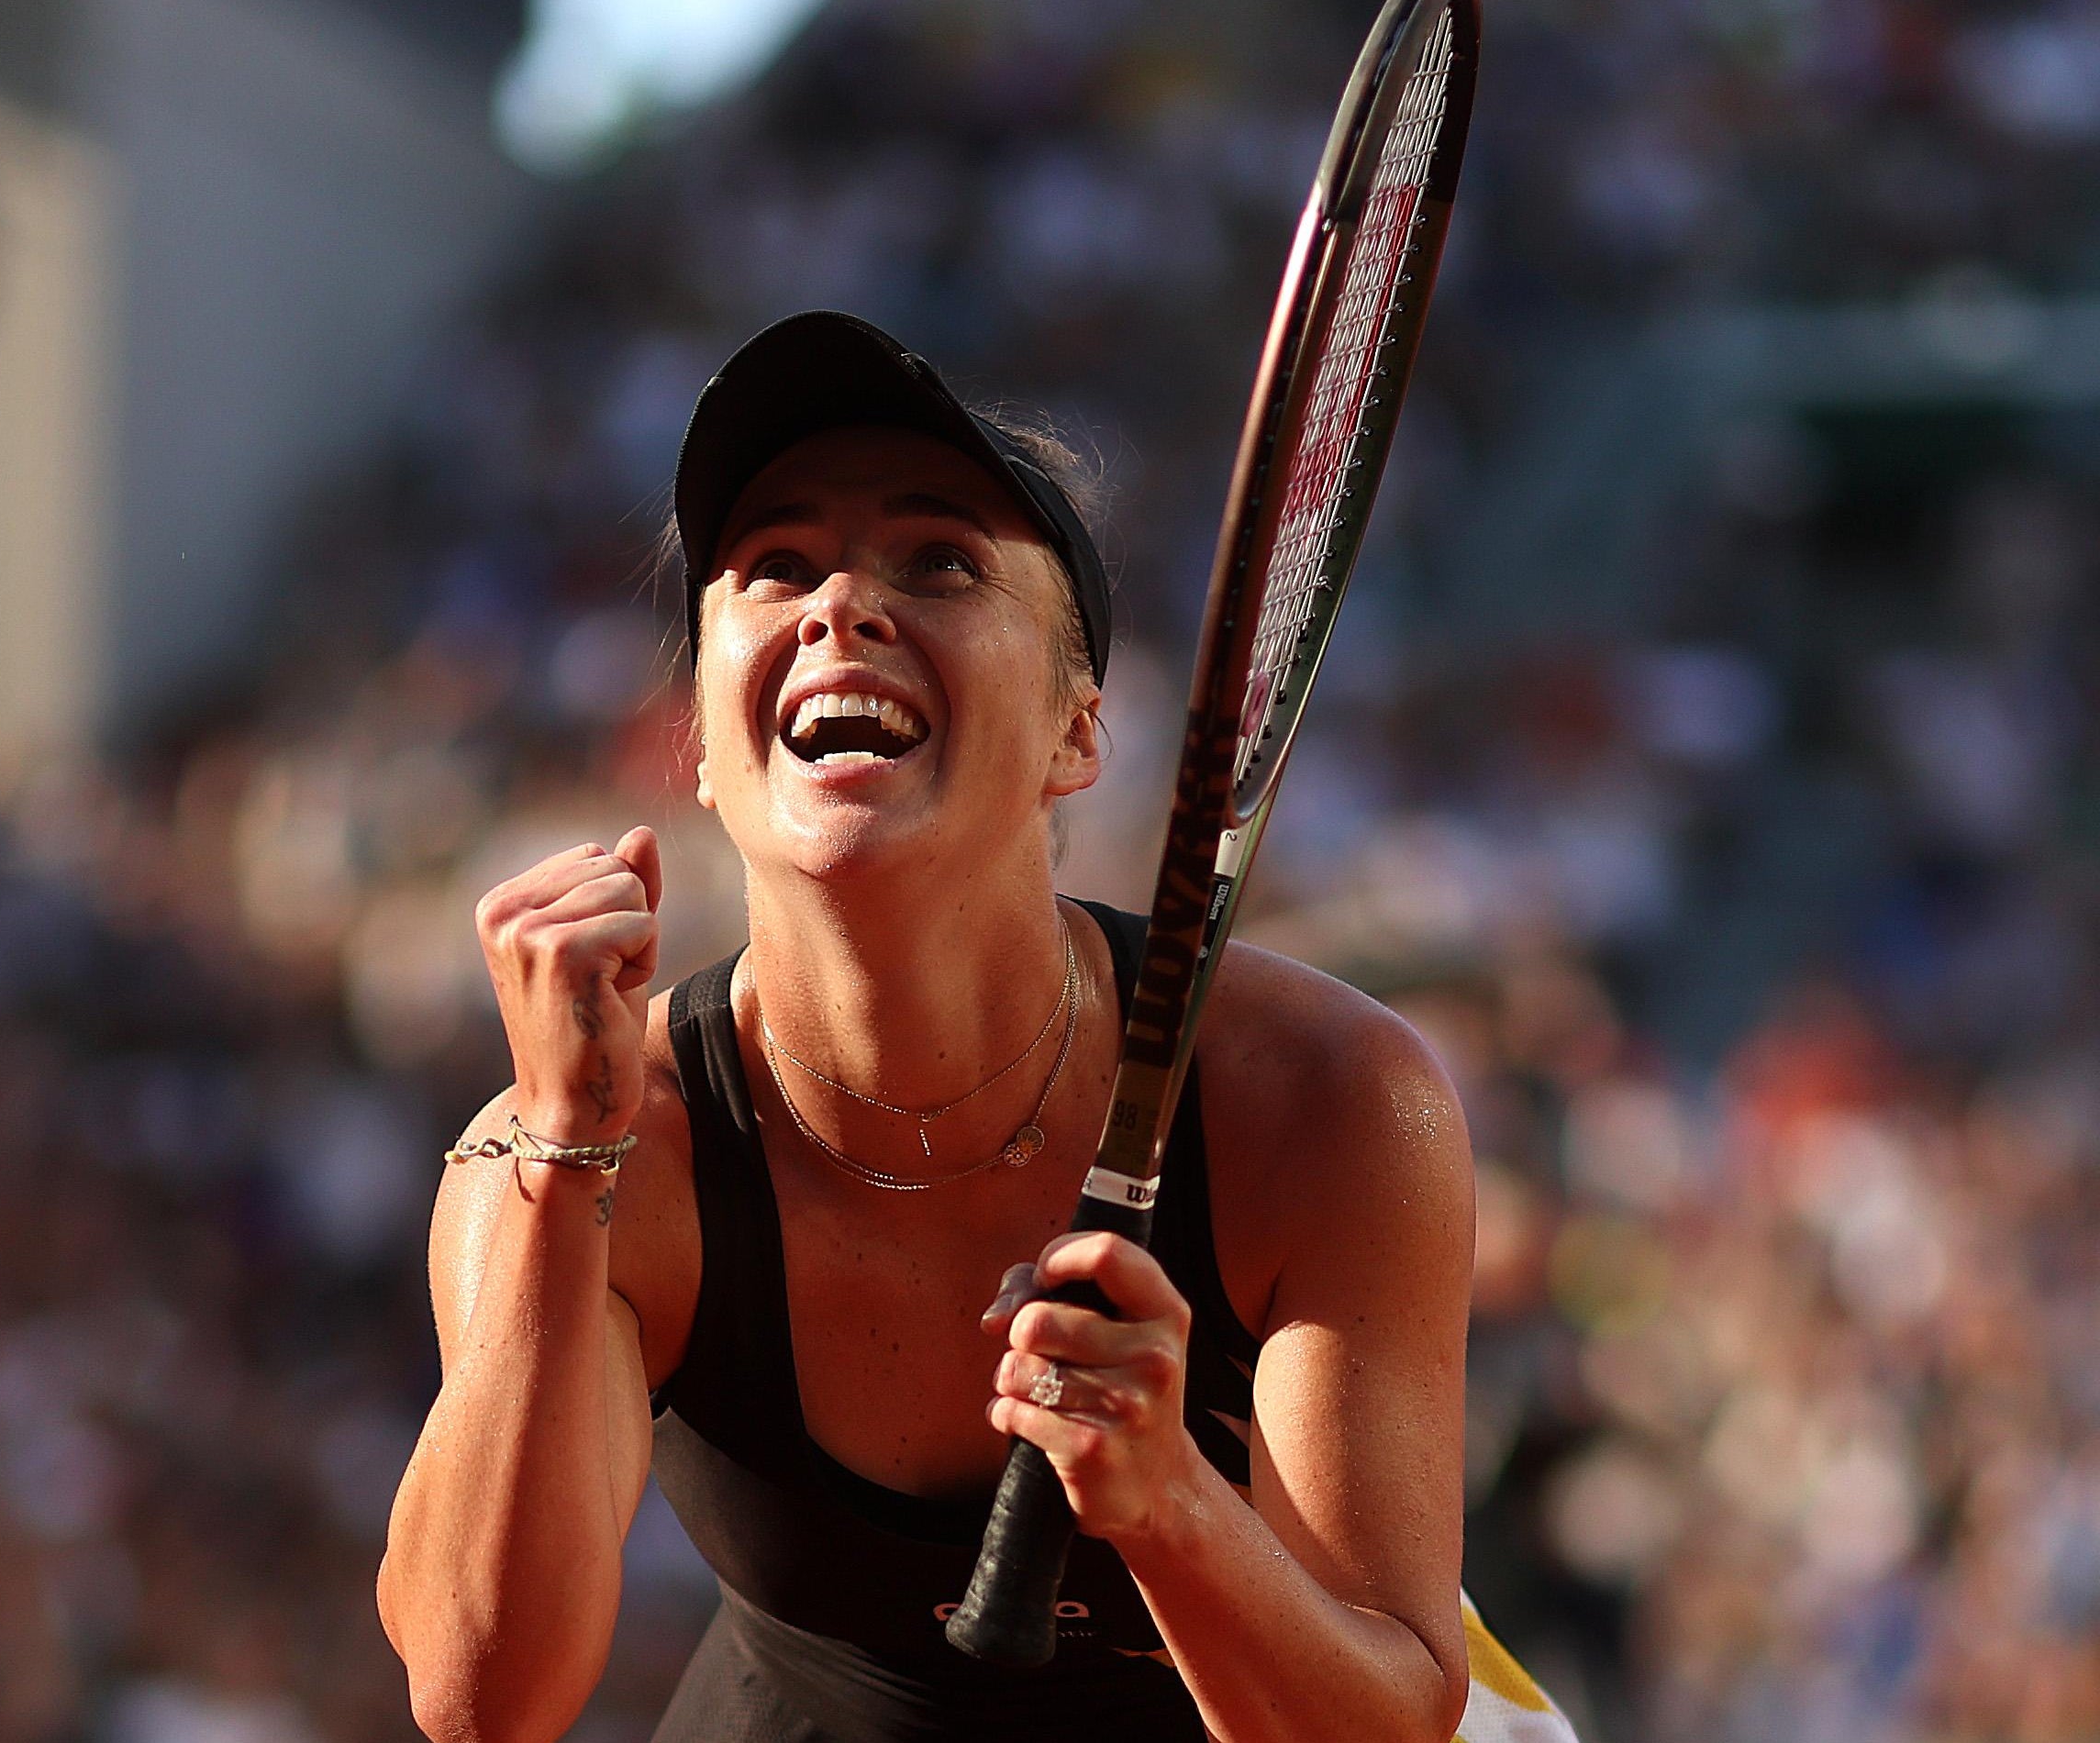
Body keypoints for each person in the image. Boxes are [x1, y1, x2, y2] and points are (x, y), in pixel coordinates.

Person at [377, 312, 1572, 1743]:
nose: (839, 606)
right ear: (697, 744)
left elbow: (1385, 1725)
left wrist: (1172, 1509)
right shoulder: (576, 1152)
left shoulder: (1323, 1098)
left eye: (939, 559)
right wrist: (565, 1151)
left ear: (1079, 733)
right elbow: (476, 1700)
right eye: (772, 568)